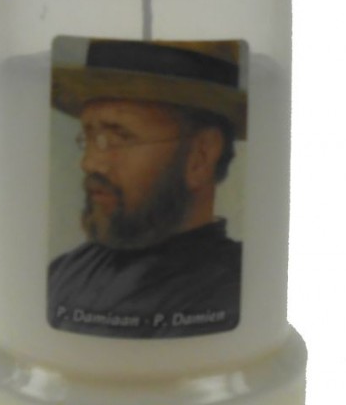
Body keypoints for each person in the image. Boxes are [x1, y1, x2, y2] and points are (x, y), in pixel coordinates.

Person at [47, 38, 247, 338]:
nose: (89, 163)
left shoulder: (234, 287)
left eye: (118, 137)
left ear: (201, 156)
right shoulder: (65, 272)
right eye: (88, 138)